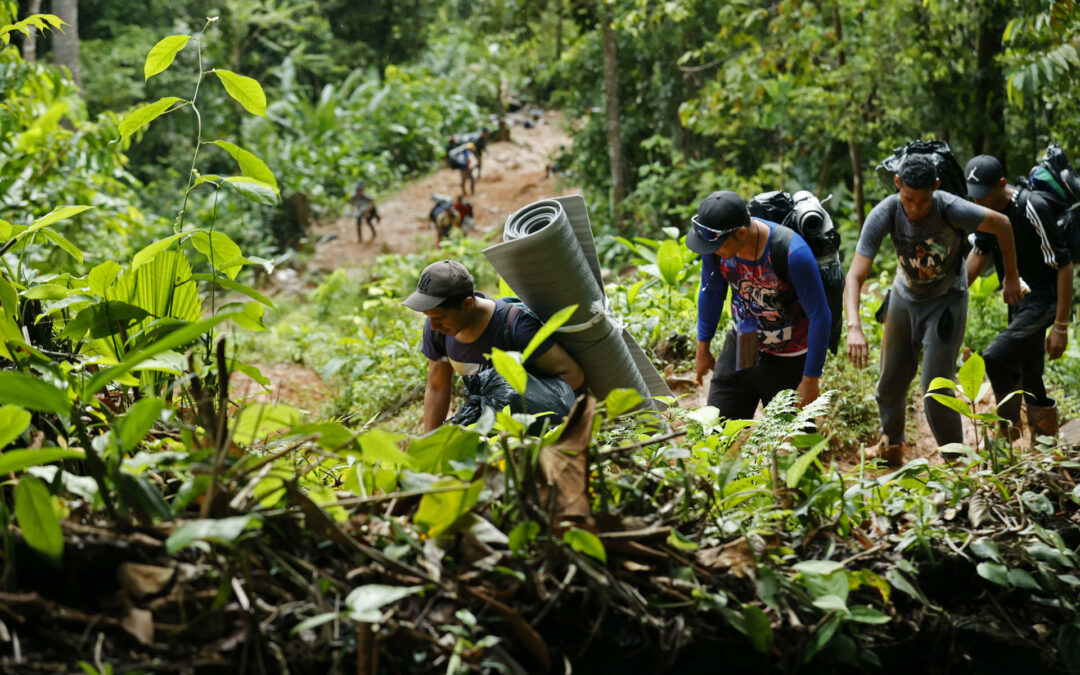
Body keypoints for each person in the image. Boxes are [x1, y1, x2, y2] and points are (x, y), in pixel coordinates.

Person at [845, 154, 1022, 465]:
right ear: (898, 184)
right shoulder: (885, 213)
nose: (915, 209)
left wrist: (1011, 276)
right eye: (908, 199)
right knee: (889, 383)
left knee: (935, 390)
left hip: (946, 301)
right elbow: (855, 275)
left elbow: (1002, 224)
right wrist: (854, 327)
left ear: (936, 188)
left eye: (923, 201)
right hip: (904, 297)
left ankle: (956, 463)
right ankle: (892, 445)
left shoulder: (950, 207)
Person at [689, 191, 832, 419]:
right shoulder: (716, 247)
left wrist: (811, 379)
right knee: (720, 427)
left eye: (716, 246)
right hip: (746, 340)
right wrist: (702, 349)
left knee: (793, 444)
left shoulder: (792, 253)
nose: (712, 251)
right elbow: (712, 293)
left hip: (789, 354)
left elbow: (820, 315)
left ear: (741, 233)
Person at [404, 260, 585, 433]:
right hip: (485, 421)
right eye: (429, 317)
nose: (433, 326)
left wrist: (520, 399)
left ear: (467, 304)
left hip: (532, 427)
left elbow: (573, 374)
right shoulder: (438, 332)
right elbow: (437, 387)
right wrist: (428, 444)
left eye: (439, 317)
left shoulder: (517, 328)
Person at [963, 154, 1073, 439]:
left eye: (983, 195)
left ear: (1001, 184)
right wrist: (951, 293)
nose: (977, 203)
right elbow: (979, 253)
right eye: (973, 197)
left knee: (995, 356)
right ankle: (1044, 444)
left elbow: (1064, 264)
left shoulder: (1031, 207)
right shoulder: (984, 211)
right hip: (1019, 302)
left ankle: (1007, 429)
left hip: (1043, 298)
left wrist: (1061, 325)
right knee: (1031, 372)